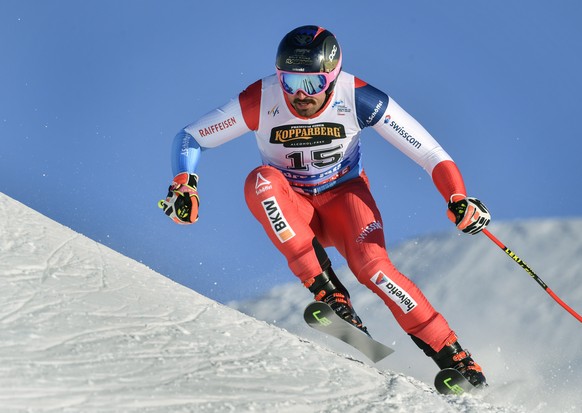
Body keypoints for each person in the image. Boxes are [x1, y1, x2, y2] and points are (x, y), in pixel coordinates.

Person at [159, 25, 491, 388]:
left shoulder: (359, 96)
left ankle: (455, 358)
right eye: (289, 82)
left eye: (313, 85)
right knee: (261, 181)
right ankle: (329, 293)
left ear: (332, 78)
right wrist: (184, 183)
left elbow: (429, 152)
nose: (300, 96)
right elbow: (191, 136)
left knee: (374, 269)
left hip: (344, 201)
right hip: (294, 207)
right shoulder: (261, 98)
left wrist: (457, 196)